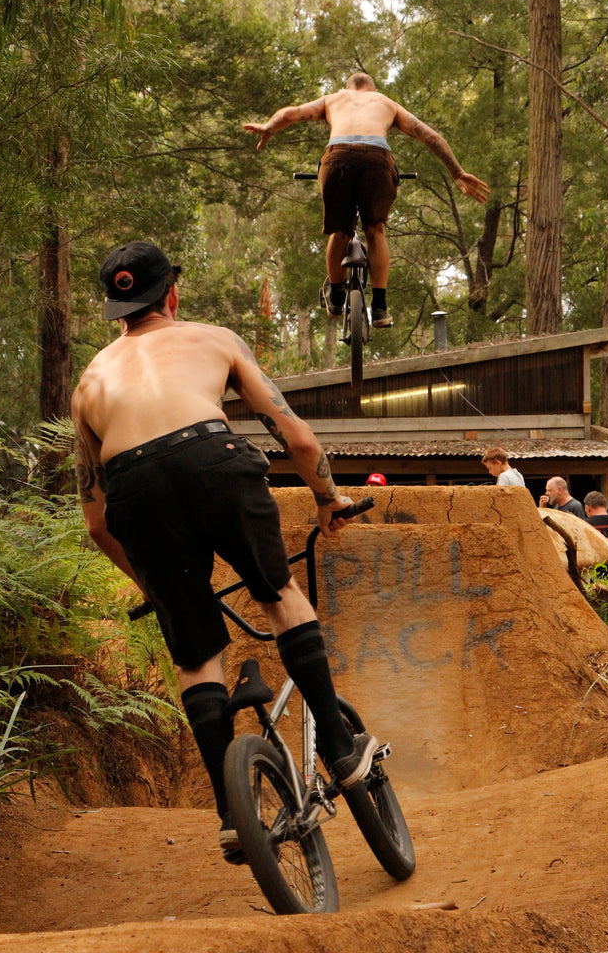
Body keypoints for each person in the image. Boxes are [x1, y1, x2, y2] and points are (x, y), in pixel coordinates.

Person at [71, 241, 378, 864]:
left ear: (116, 310)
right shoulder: (212, 338)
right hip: (213, 459)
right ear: (173, 295)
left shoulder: (87, 385)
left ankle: (231, 813)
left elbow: (99, 525)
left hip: (133, 488)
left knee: (196, 654)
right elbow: (291, 433)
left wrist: (159, 590)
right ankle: (342, 750)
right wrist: (328, 499)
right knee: (277, 593)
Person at [243, 72, 489, 328]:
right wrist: (457, 173)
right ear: (373, 89)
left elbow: (290, 114)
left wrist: (268, 127)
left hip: (337, 158)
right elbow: (430, 136)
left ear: (348, 88)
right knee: (376, 229)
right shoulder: (386, 103)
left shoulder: (333, 99)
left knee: (339, 231)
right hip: (377, 161)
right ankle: (380, 308)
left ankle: (336, 294)